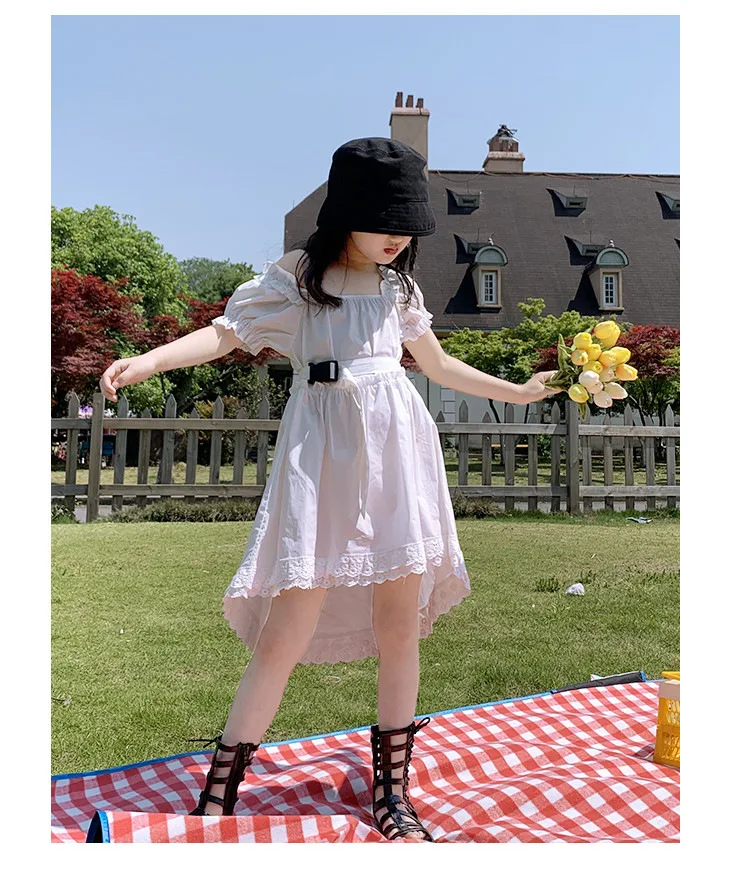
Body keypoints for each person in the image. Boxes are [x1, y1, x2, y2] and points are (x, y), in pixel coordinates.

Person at [99, 137, 557, 842]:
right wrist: (151, 360)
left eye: (407, 226)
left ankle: (393, 793)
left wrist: (519, 391)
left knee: (399, 622)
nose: (398, 237)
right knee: (287, 624)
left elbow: (437, 366)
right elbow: (226, 335)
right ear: (347, 213)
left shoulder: (400, 289)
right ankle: (219, 792)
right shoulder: (299, 277)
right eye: (385, 221)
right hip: (321, 452)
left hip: (396, 450)